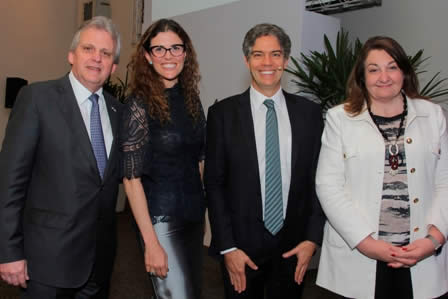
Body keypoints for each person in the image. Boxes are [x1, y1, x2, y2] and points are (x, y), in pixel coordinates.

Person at [316, 36, 448, 299]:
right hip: (360, 257)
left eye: (392, 67)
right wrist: (367, 244)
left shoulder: (432, 115)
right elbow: (328, 186)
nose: (383, 77)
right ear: (362, 77)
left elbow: (445, 181)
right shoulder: (339, 119)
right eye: (373, 69)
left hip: (422, 255)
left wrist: (434, 239)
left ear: (404, 72)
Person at [0, 16, 122, 298]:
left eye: (105, 53)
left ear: (114, 66)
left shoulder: (119, 112)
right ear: (71, 55)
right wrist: (8, 251)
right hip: (45, 263)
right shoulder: (37, 99)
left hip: (98, 263)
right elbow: (10, 183)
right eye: (88, 49)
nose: (96, 58)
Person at [205, 23, 325, 299]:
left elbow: (318, 180)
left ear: (286, 59)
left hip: (294, 249)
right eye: (258, 54)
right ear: (246, 60)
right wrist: (227, 247)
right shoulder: (222, 114)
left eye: (275, 54)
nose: (267, 62)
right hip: (240, 251)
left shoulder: (309, 114)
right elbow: (214, 184)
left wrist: (311, 239)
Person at [120, 19, 205, 299]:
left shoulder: (192, 98)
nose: (168, 56)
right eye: (159, 49)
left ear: (185, 53)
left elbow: (199, 160)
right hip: (160, 221)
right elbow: (131, 181)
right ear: (147, 55)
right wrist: (150, 242)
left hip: (194, 217)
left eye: (175, 48)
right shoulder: (138, 105)